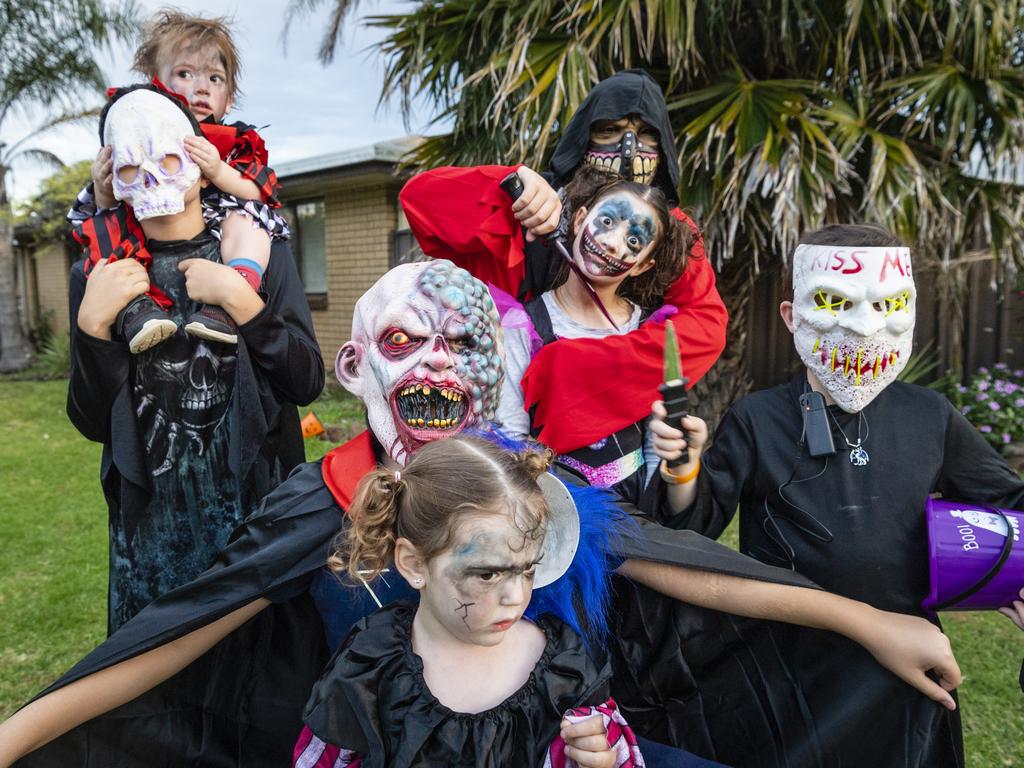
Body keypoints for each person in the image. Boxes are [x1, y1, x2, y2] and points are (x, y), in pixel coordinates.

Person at [2, 261, 961, 768]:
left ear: (498, 365)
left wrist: (864, 620)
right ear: (358, 369)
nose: (435, 369)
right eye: (405, 343)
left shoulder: (528, 482)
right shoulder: (326, 498)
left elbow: (672, 560)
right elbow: (190, 625)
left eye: (462, 343)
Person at [651, 224, 1024, 766]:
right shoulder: (758, 418)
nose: (865, 326)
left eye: (888, 303)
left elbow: (1009, 502)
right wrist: (684, 473)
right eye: (833, 301)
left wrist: (1009, 576)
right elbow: (695, 526)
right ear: (791, 315)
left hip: (905, 658)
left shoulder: (931, 417)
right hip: (786, 656)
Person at [68, 82, 323, 633]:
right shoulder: (98, 271)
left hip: (258, 524)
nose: (155, 178)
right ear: (112, 175)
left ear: (202, 163)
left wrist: (241, 300)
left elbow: (305, 382)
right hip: (149, 542)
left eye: (168, 158)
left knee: (258, 683)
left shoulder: (258, 249)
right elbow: (91, 421)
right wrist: (93, 325)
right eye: (134, 167)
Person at [400, 69, 728, 459]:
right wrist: (510, 181)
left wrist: (576, 369)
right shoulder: (535, 205)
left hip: (626, 438)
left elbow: (704, 327)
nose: (628, 147)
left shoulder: (674, 234)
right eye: (610, 129)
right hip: (511, 412)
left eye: (645, 133)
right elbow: (421, 202)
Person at [295, 436, 650, 767]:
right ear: (414, 564)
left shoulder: (564, 669)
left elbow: (616, 752)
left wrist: (600, 757)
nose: (516, 597)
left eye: (528, 569)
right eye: (487, 575)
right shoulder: (370, 665)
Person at [69, 10, 287, 352]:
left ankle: (240, 283)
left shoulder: (235, 144)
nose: (201, 87)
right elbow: (111, 204)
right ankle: (135, 311)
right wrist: (102, 184)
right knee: (110, 236)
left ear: (229, 98)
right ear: (156, 87)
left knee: (247, 223)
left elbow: (259, 193)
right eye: (185, 73)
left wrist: (218, 171)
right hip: (145, 232)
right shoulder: (135, 144)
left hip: (227, 225)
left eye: (215, 78)